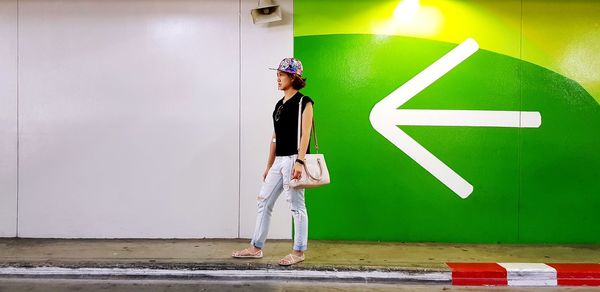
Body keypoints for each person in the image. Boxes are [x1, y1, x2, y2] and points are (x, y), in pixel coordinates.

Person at [232, 58, 314, 266]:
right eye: (277, 75)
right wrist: (269, 165)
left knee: (296, 206)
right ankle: (256, 247)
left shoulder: (305, 102)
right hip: (279, 161)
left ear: (293, 77)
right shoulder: (279, 104)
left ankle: (298, 251)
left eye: (281, 74)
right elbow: (275, 137)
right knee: (264, 201)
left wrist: (300, 162)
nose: (277, 79)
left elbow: (305, 134)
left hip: (294, 160)